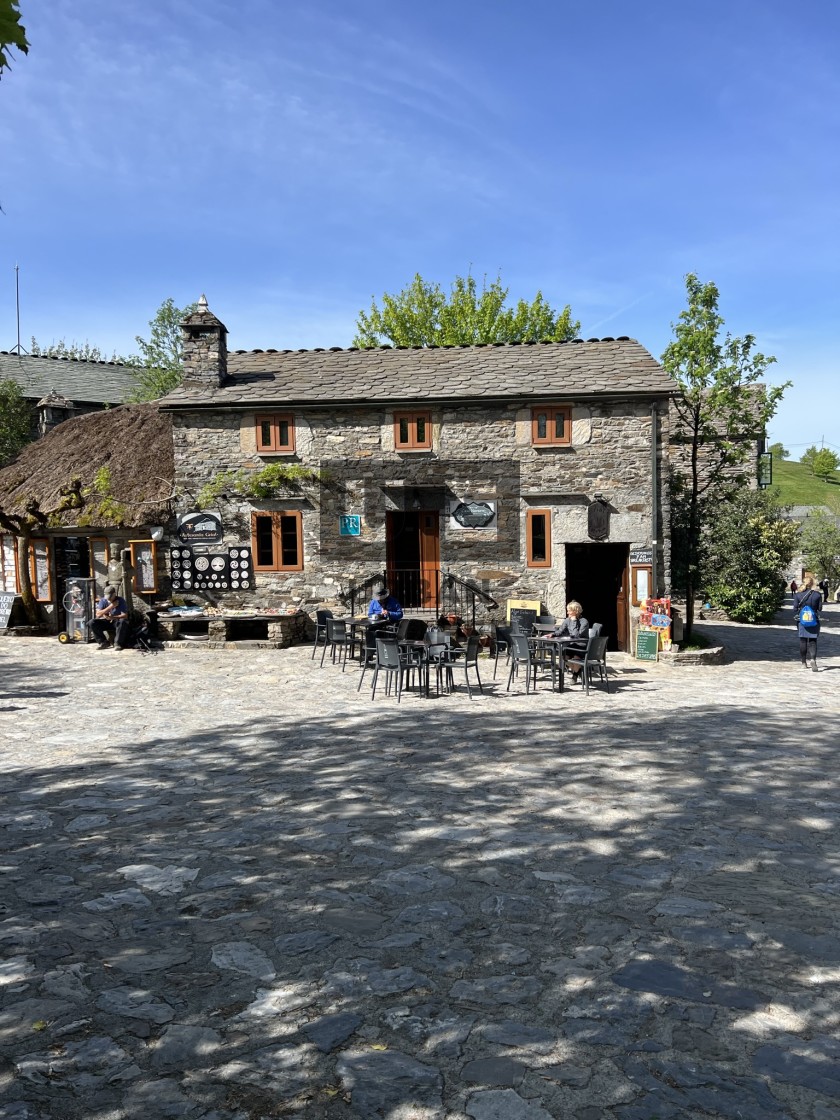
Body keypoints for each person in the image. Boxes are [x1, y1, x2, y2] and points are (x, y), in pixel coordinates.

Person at [554, 600, 590, 683]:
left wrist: (574, 621)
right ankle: (578, 670)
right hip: (572, 644)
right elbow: (561, 631)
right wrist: (553, 634)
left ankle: (575, 675)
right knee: (563, 658)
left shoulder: (584, 622)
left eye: (569, 611)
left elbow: (576, 635)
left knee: (576, 658)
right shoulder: (567, 620)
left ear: (575, 611)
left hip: (581, 645)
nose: (567, 613)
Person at [793, 575, 822, 672]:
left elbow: (795, 609)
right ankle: (813, 659)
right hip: (813, 620)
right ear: (812, 584)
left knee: (803, 641)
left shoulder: (798, 595)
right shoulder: (817, 595)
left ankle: (803, 663)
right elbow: (820, 608)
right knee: (813, 641)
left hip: (802, 621)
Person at [91, 586, 131, 651]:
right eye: (107, 597)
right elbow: (98, 614)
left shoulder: (121, 600)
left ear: (114, 594)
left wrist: (112, 617)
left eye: (110, 597)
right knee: (92, 622)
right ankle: (103, 642)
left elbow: (125, 615)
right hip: (106, 621)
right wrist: (110, 607)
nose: (109, 599)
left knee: (122, 621)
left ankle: (118, 643)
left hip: (116, 621)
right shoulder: (103, 600)